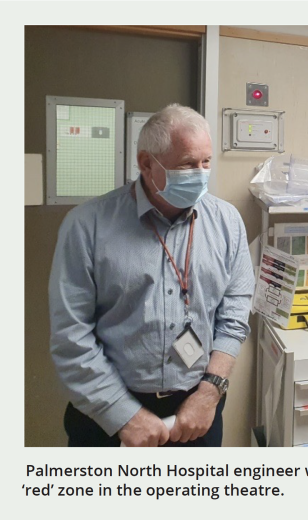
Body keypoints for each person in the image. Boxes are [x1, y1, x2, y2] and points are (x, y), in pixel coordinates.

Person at [49, 104, 254, 447]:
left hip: (197, 410)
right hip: (107, 415)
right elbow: (71, 335)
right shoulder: (87, 226)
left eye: (206, 162)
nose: (201, 174)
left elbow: (235, 315)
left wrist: (209, 394)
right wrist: (122, 414)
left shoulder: (227, 222)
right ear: (146, 163)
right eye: (188, 164)